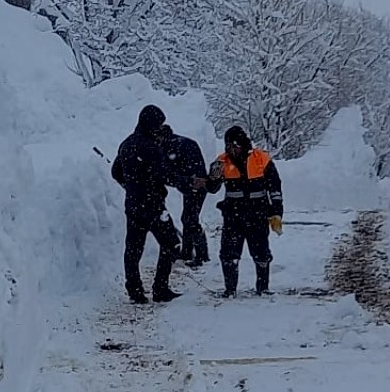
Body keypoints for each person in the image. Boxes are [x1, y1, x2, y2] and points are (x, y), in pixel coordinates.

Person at [197, 125, 284, 297]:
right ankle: (230, 290)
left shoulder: (261, 159)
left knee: (261, 253)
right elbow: (212, 188)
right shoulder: (221, 162)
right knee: (228, 254)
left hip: (257, 214)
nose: (231, 150)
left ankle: (263, 288)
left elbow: (275, 187)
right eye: (228, 146)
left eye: (234, 145)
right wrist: (211, 179)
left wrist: (276, 212)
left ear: (243, 144)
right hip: (233, 216)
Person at [111, 105, 182, 304]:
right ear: (151, 124)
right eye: (159, 124)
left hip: (133, 204)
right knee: (170, 243)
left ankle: (135, 290)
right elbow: (163, 175)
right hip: (153, 205)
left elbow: (115, 171)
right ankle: (160, 289)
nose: (160, 128)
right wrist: (185, 183)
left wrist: (131, 186)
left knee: (133, 248)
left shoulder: (127, 144)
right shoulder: (151, 147)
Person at [157, 124, 211, 267]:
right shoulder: (180, 143)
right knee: (189, 218)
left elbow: (168, 171)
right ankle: (189, 253)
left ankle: (199, 255)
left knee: (189, 218)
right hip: (194, 183)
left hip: (196, 184)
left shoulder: (173, 147)